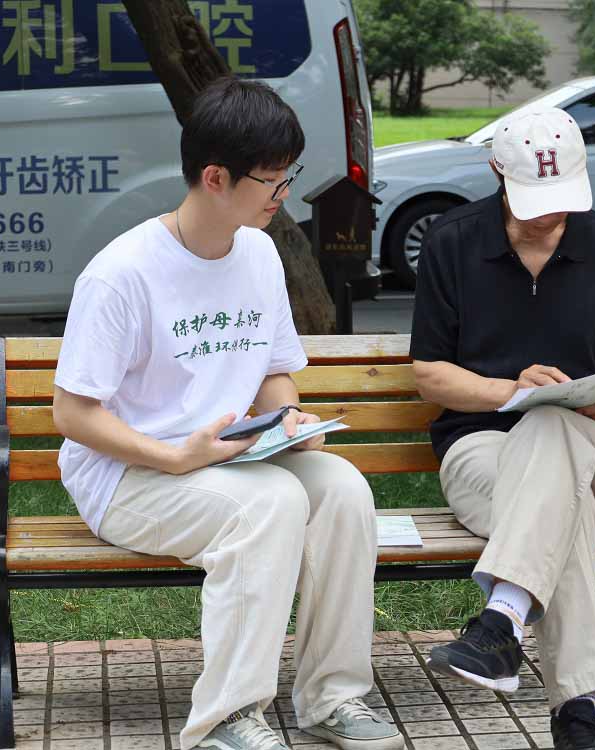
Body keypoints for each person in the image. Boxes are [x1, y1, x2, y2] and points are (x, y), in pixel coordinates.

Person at [52, 77, 403, 750]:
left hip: (226, 458)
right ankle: (226, 719)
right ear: (215, 177)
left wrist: (289, 421)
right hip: (128, 474)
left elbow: (272, 370)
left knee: (343, 490)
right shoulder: (122, 273)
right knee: (269, 503)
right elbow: (72, 414)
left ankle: (333, 697)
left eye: (287, 176)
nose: (284, 194)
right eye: (272, 181)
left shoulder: (258, 252)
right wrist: (174, 456)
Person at [409, 107, 595, 750]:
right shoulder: (451, 242)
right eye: (534, 200)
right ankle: (579, 710)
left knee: (552, 429)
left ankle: (501, 620)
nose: (550, 216)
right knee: (558, 495)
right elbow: (430, 374)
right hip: (482, 451)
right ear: (497, 171)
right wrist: (514, 392)